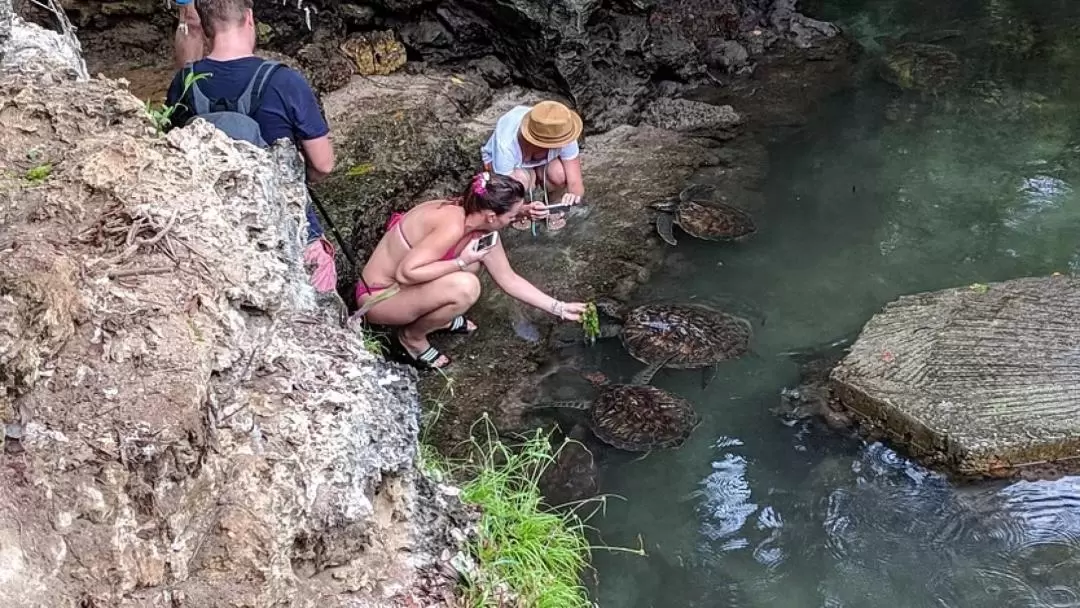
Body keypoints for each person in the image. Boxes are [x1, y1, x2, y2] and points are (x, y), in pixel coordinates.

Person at [166, 0, 338, 293]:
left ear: (206, 30)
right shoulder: (284, 81)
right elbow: (323, 164)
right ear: (249, 18)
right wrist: (298, 176)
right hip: (287, 226)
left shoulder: (184, 82)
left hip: (215, 229)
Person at [357, 172, 586, 370]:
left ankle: (440, 319)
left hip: (406, 289)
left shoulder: (473, 215)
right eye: (511, 216)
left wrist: (560, 308)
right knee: (466, 286)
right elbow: (406, 273)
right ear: (491, 216)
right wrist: (459, 262)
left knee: (474, 262)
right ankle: (412, 337)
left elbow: (509, 279)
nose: (514, 220)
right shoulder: (452, 225)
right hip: (379, 298)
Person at [481, 100, 586, 232]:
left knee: (559, 174)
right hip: (509, 170)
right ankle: (520, 208)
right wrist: (524, 210)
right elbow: (503, 193)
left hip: (542, 161)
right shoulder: (506, 145)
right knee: (520, 180)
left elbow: (576, 183)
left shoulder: (562, 132)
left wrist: (572, 197)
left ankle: (554, 203)